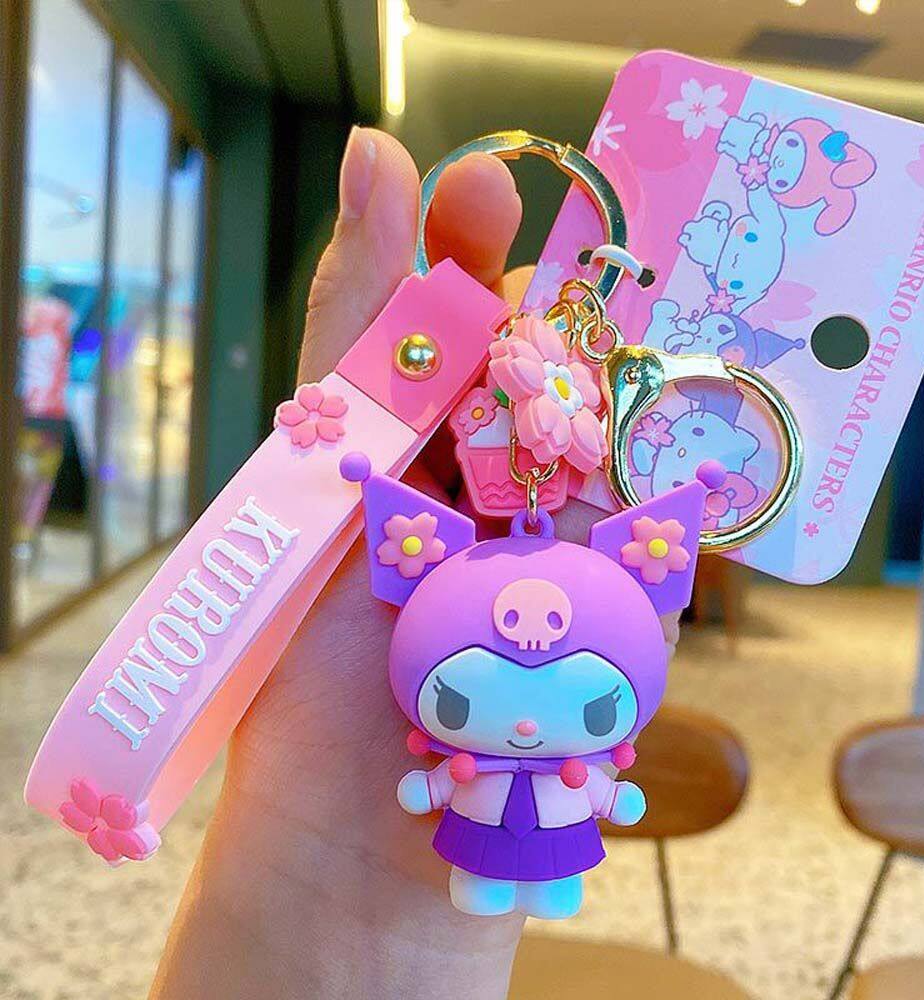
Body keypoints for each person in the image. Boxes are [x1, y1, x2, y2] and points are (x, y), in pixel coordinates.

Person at [150, 127, 681, 1000]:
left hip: (534, 822)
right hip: (455, 831)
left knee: (550, 874)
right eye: (462, 701)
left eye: (593, 705)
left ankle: (537, 884)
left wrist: (610, 797)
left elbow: (593, 788)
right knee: (486, 868)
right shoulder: (487, 619)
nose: (522, 723)